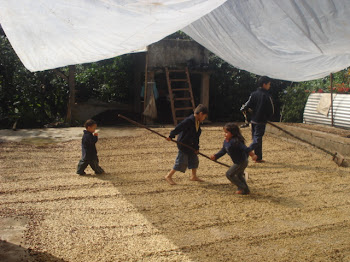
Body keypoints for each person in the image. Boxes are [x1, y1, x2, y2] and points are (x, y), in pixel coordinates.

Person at [165, 104, 208, 185]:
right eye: (204, 117)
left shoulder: (197, 123)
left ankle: (193, 176)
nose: (204, 119)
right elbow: (179, 127)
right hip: (183, 144)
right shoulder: (189, 120)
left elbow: (196, 137)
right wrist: (171, 136)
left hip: (191, 145)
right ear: (201, 114)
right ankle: (168, 176)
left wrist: (196, 148)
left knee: (194, 160)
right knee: (181, 161)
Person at [210, 123, 257, 195]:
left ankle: (242, 187)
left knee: (229, 174)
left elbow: (246, 149)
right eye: (224, 132)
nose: (224, 134)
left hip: (241, 162)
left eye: (226, 132)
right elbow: (223, 150)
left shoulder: (236, 141)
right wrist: (216, 156)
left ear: (233, 133)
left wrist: (253, 155)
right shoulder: (226, 141)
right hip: (238, 162)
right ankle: (246, 191)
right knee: (239, 175)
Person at [240, 76, 274, 163]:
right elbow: (271, 110)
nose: (269, 86)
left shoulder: (253, 94)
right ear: (264, 84)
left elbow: (246, 106)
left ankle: (258, 157)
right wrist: (268, 118)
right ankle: (246, 152)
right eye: (269, 84)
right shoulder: (267, 95)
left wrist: (247, 111)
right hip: (261, 121)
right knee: (257, 139)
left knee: (257, 139)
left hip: (254, 120)